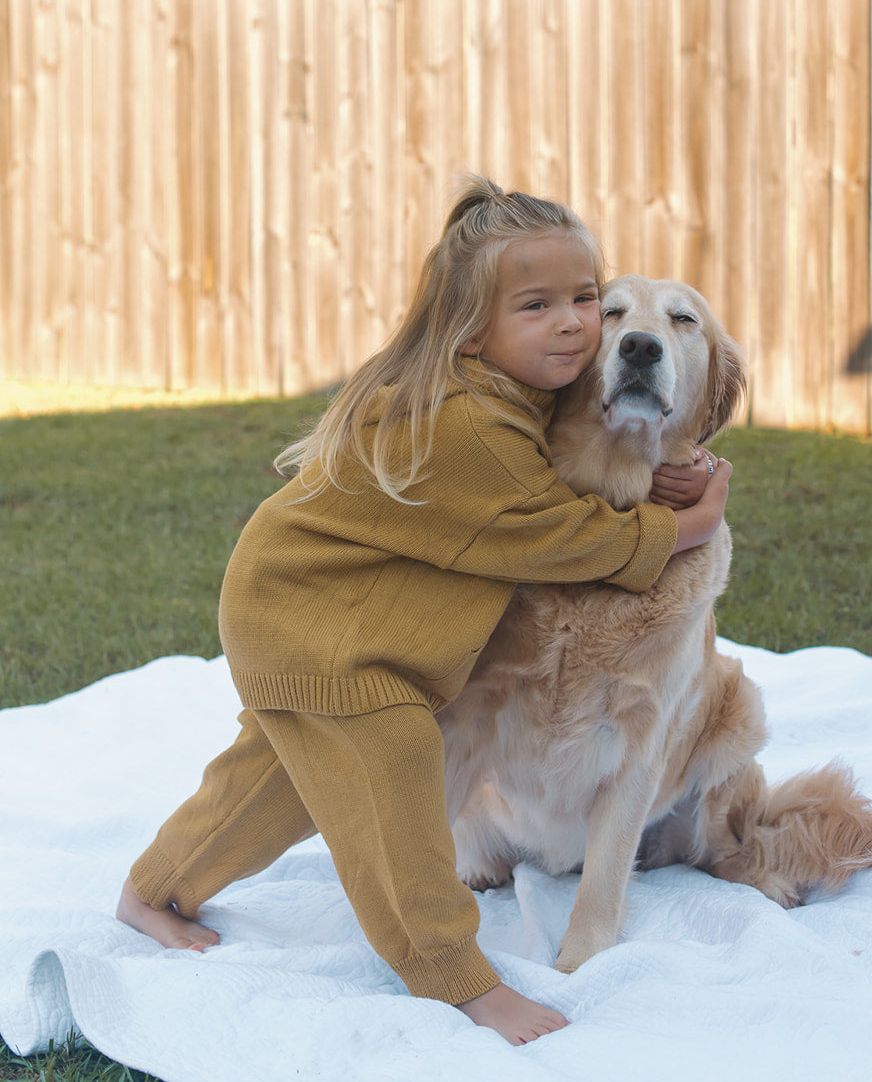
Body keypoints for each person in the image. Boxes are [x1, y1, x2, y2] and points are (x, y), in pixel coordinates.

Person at [116, 174, 733, 1046]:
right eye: (537, 305)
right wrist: (688, 523)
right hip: (329, 633)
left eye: (584, 298)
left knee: (278, 780)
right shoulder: (472, 429)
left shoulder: (505, 394)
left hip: (291, 606)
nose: (573, 323)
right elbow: (556, 535)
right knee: (398, 775)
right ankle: (453, 975)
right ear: (472, 330)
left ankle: (154, 889)